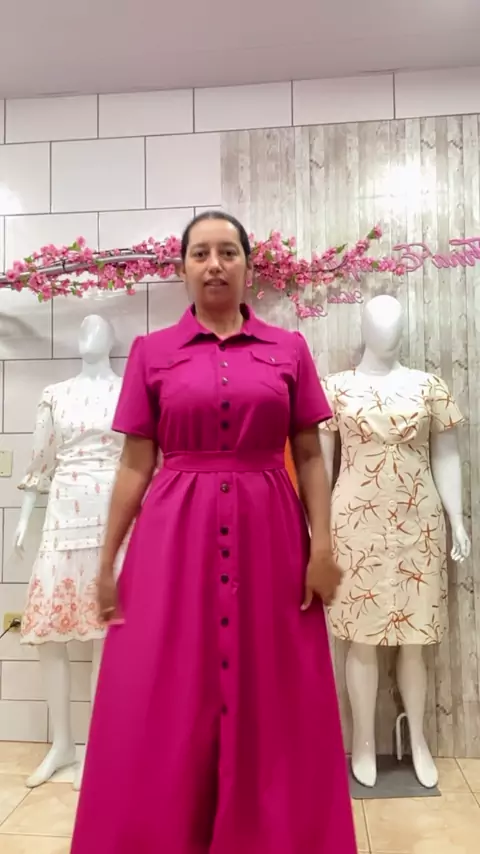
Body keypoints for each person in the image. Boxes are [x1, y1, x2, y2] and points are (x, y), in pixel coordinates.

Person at [71, 211, 357, 854]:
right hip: (174, 539)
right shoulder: (151, 353)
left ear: (249, 266)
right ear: (182, 269)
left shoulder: (289, 348)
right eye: (200, 253)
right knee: (166, 691)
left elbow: (309, 456)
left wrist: (322, 545)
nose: (215, 264)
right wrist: (107, 559)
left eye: (228, 252)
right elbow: (136, 463)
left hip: (270, 537)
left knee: (274, 692)